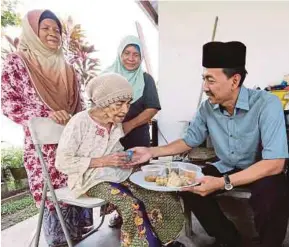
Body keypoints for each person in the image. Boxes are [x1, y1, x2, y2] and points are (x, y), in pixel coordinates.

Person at [130, 41, 289, 247]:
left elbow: (275, 163)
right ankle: (229, 239)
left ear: (234, 80)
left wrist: (223, 182)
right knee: (190, 186)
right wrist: (151, 151)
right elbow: (189, 140)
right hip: (228, 166)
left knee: (273, 196)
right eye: (204, 79)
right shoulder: (207, 108)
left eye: (210, 80)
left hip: (261, 170)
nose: (205, 87)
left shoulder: (267, 104)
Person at [55, 73, 185, 247]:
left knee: (157, 192)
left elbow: (114, 151)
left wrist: (127, 158)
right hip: (90, 180)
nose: (125, 110)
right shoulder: (80, 122)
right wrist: (104, 161)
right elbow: (62, 162)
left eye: (128, 104)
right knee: (132, 205)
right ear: (103, 102)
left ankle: (166, 240)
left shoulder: (114, 123)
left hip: (115, 173)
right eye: (119, 104)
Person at [1, 9, 93, 246]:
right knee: (55, 201)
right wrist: (47, 115)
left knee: (77, 192)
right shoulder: (18, 62)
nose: (53, 33)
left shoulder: (68, 68)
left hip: (73, 146)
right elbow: (9, 103)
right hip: (44, 151)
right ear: (32, 32)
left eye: (57, 30)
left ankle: (75, 238)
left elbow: (80, 107)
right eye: (45, 29)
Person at [103, 34, 161, 227]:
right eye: (127, 53)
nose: (131, 57)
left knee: (137, 176)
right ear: (120, 54)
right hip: (110, 138)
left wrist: (128, 125)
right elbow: (96, 106)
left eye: (136, 54)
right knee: (114, 175)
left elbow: (152, 107)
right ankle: (121, 213)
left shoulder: (146, 79)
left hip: (137, 137)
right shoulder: (108, 77)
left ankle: (143, 216)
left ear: (141, 57)